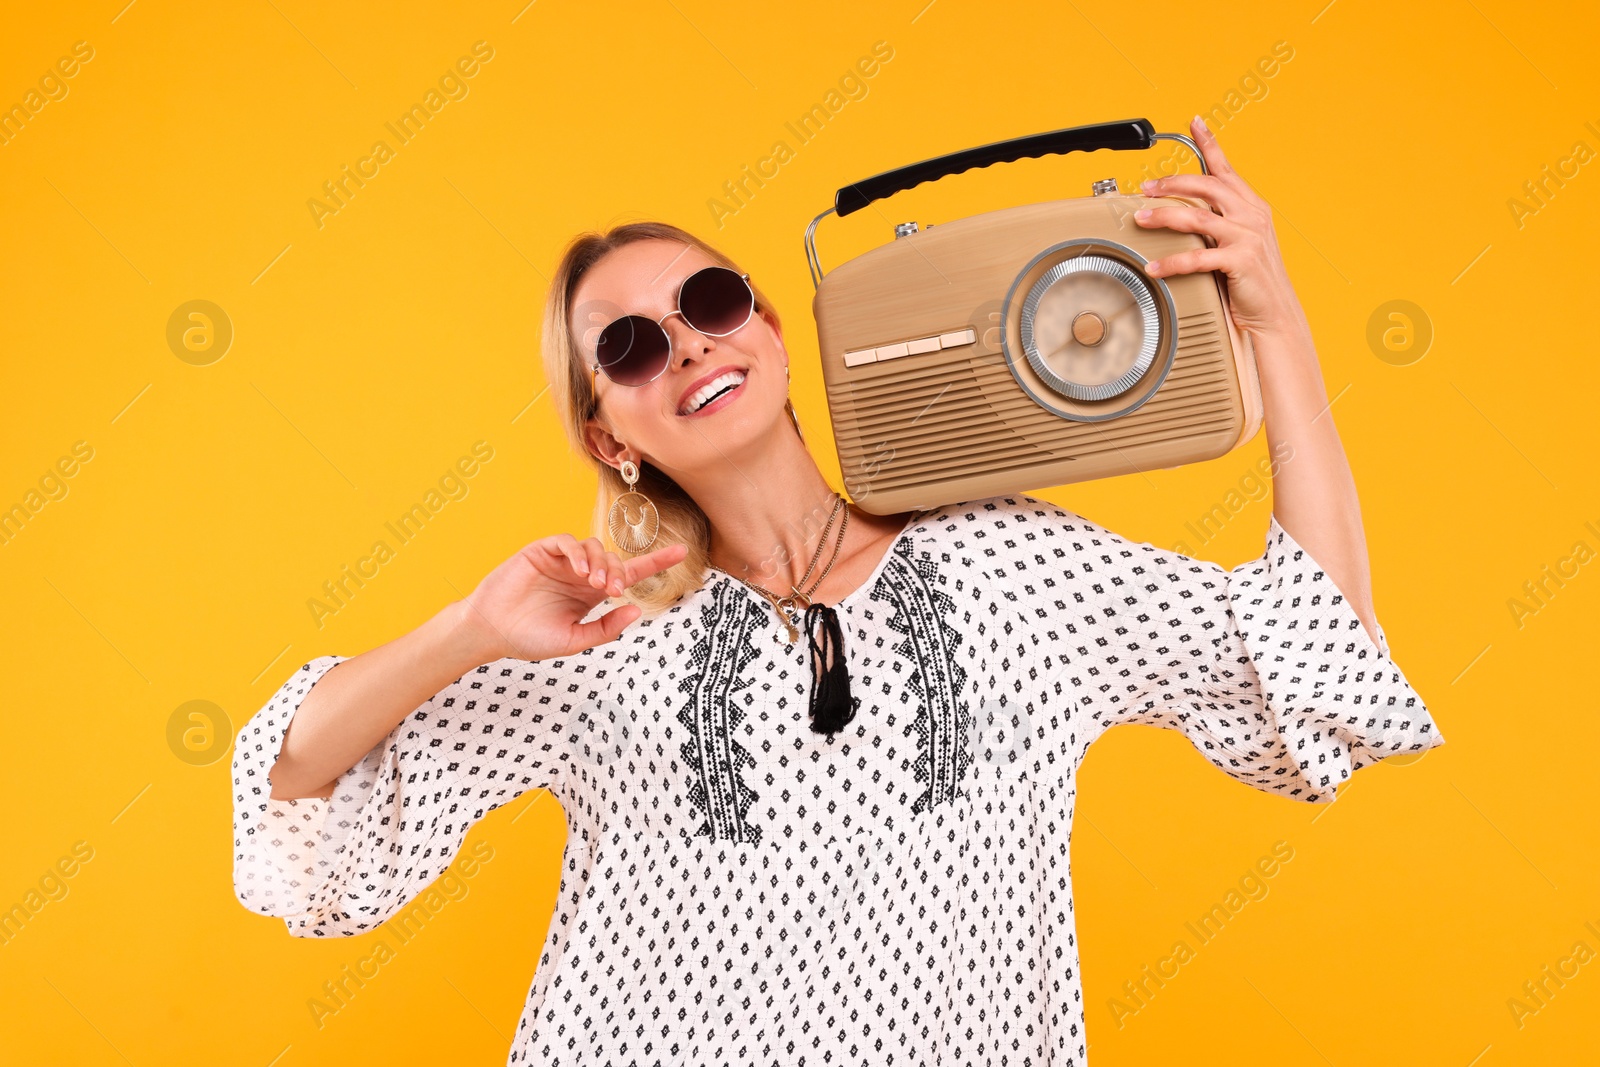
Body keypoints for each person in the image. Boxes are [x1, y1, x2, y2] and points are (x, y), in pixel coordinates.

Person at [232, 117, 1444, 1065]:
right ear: (611, 438)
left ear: (769, 324)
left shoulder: (1006, 563)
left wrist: (1275, 327)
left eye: (708, 304)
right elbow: (294, 773)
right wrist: (464, 631)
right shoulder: (599, 628)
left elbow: (1316, 652)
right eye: (632, 346)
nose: (690, 345)